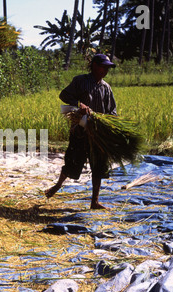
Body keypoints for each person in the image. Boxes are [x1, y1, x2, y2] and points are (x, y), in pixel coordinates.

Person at [45, 53, 117, 210]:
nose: (105, 70)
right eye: (103, 67)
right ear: (94, 66)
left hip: (98, 134)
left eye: (107, 68)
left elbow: (112, 111)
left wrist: (110, 123)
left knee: (98, 166)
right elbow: (64, 95)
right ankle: (57, 186)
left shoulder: (106, 88)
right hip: (80, 131)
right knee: (72, 162)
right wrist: (79, 104)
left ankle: (95, 201)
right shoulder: (80, 81)